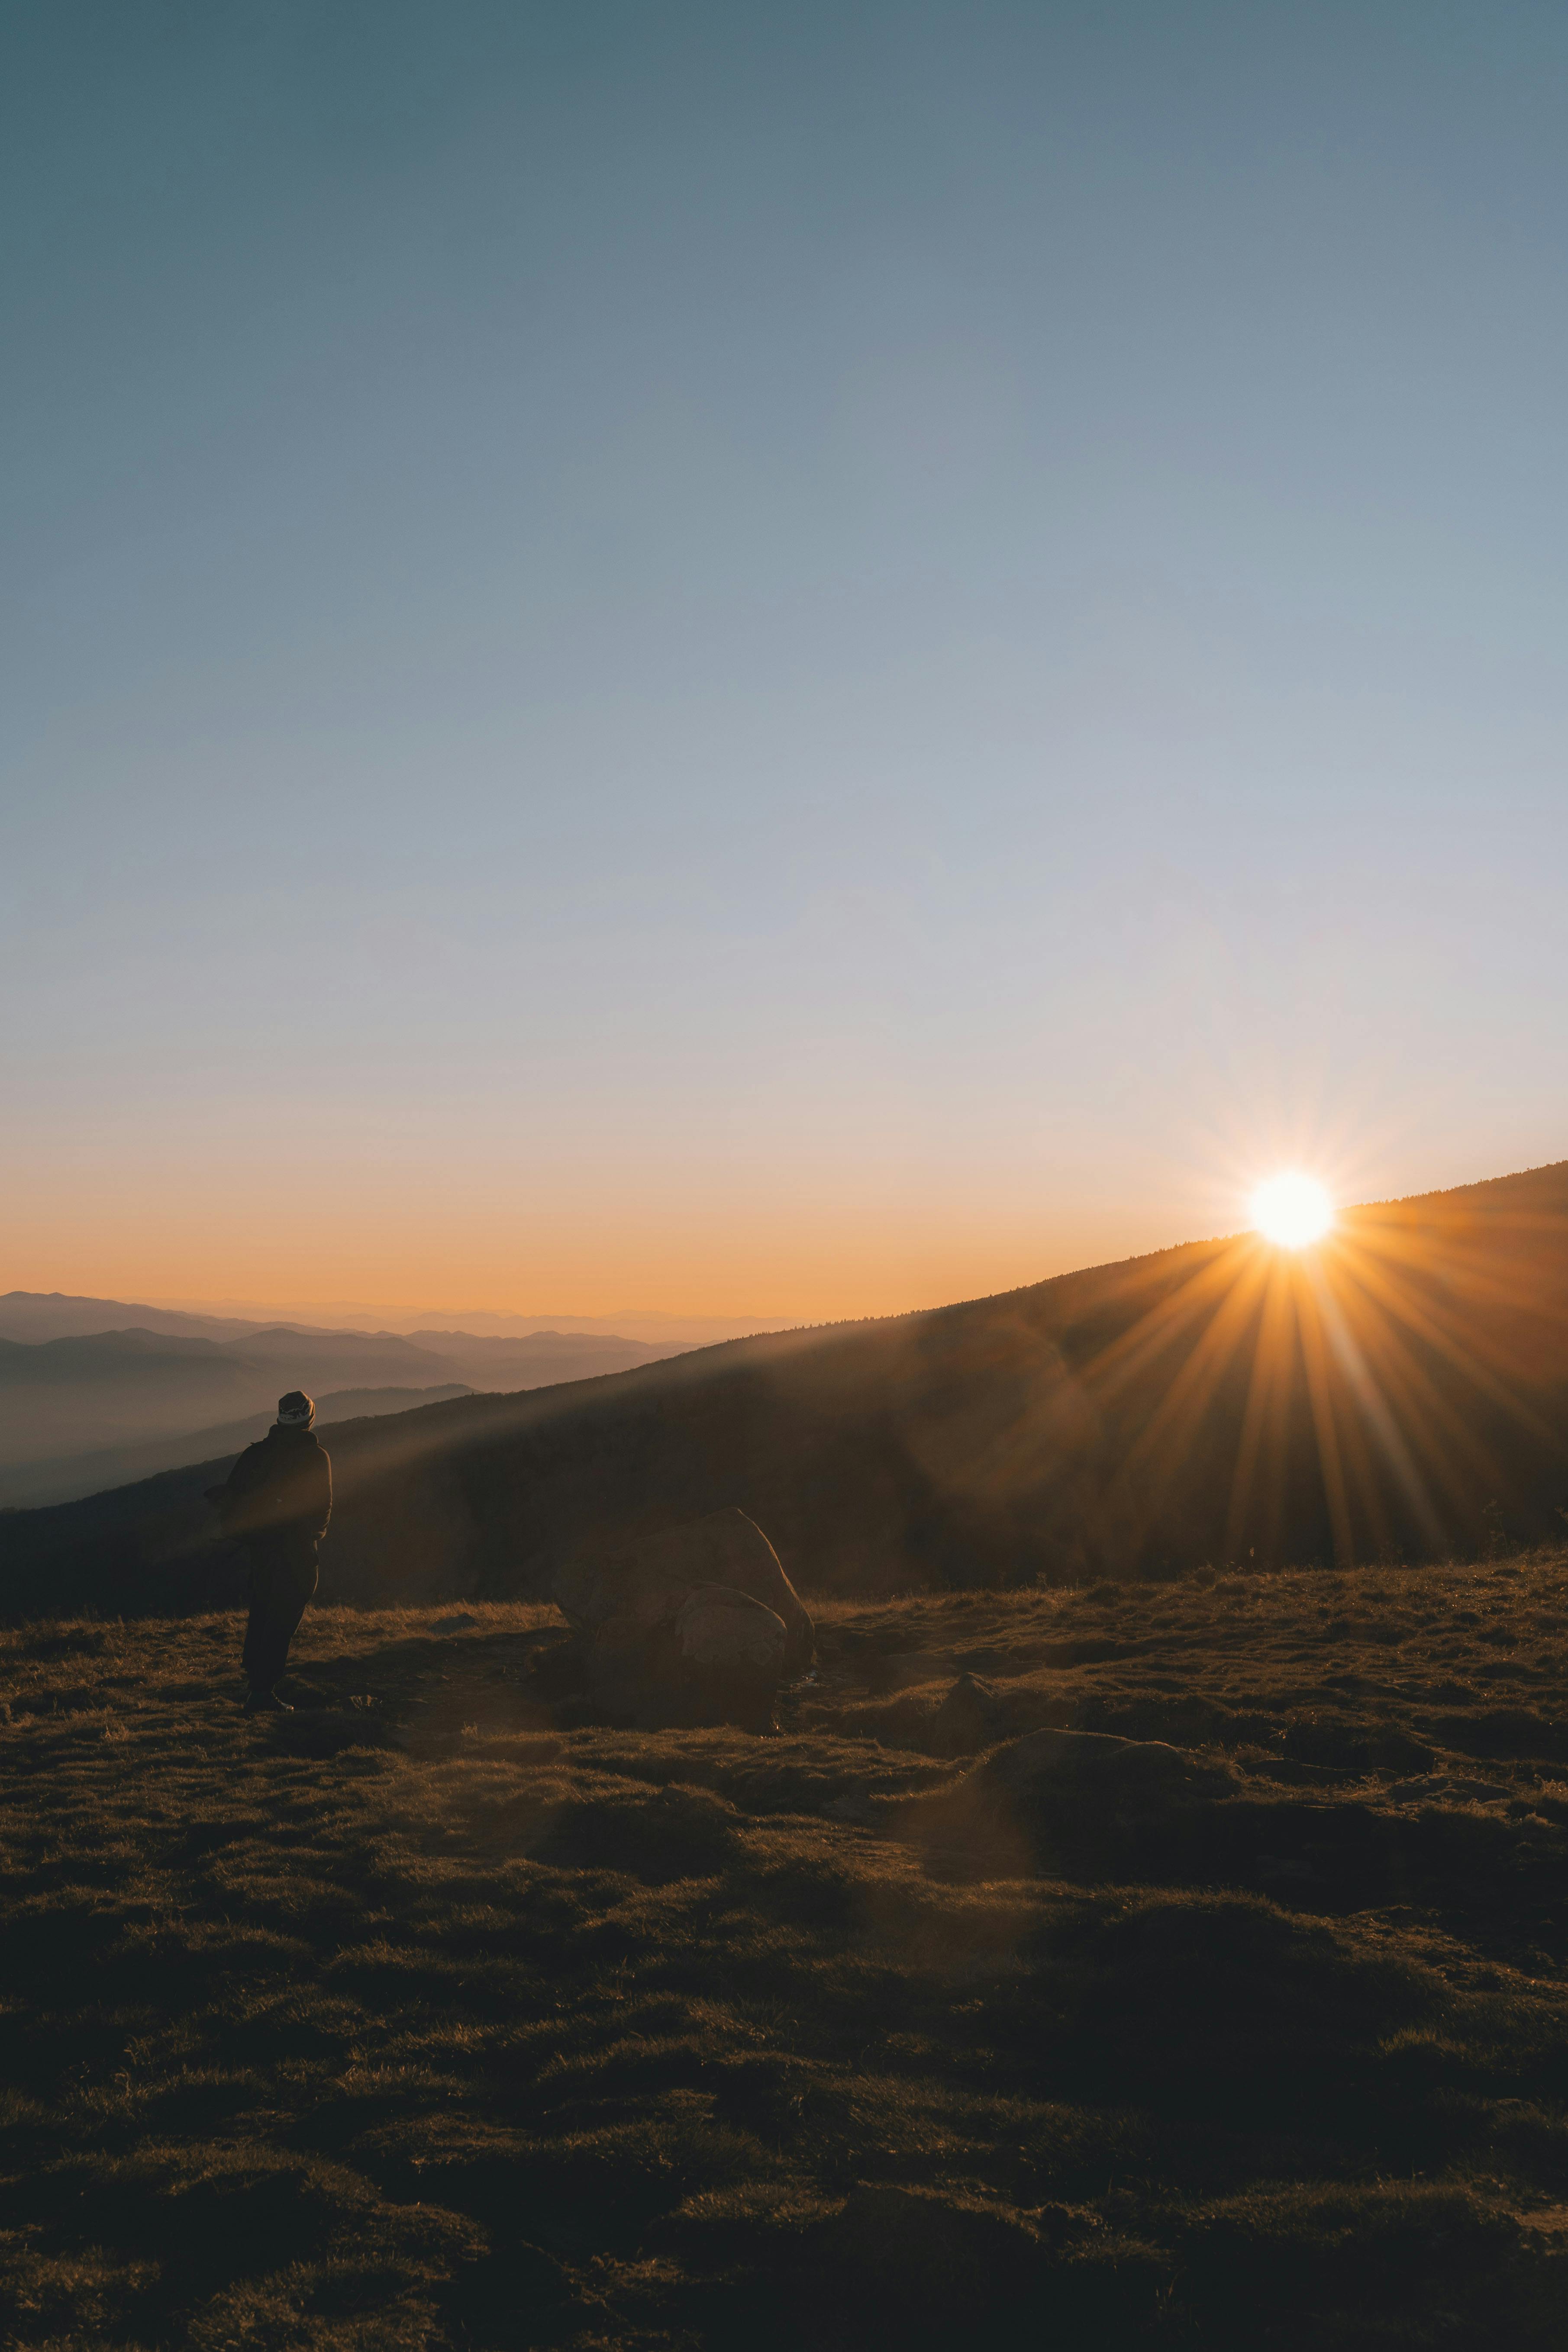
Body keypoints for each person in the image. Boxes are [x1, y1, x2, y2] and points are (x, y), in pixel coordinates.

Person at [218, 1390, 332, 1712]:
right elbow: (322, 1508)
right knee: (283, 1619)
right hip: (297, 1552)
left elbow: (232, 1497)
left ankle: (255, 1678)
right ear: (309, 1418)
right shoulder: (315, 1457)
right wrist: (312, 1536)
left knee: (264, 1610)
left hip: (261, 1550)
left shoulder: (256, 1455)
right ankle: (262, 1692)